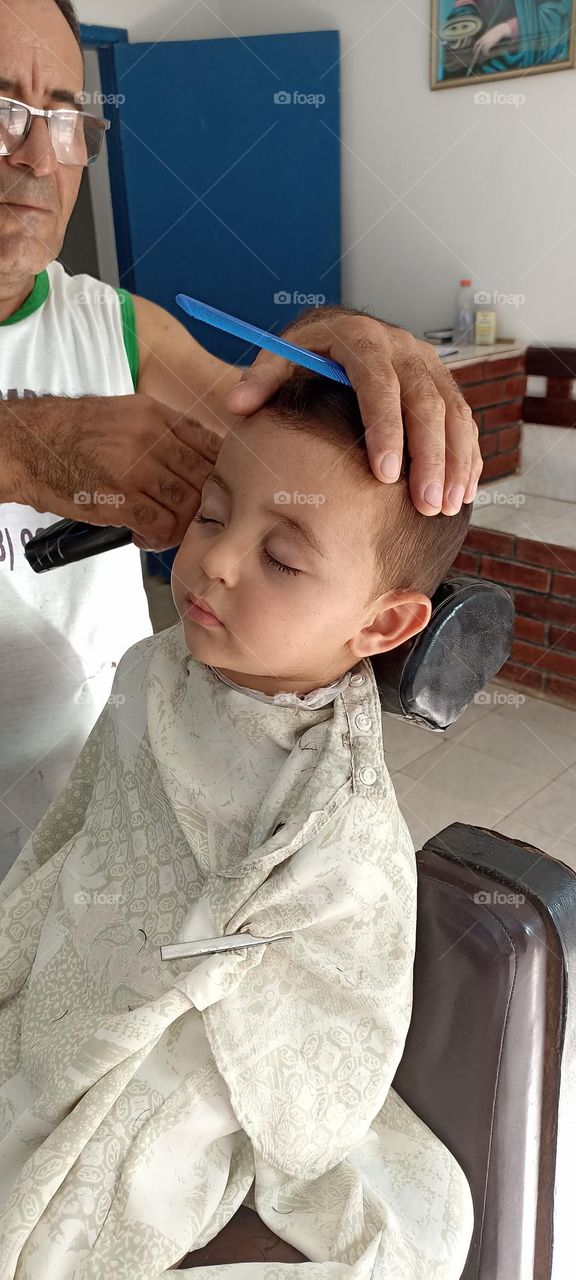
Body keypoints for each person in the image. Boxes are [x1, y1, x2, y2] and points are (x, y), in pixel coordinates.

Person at [0, 362, 475, 1279]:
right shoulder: (152, 669)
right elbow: (78, 836)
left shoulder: (330, 809)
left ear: (383, 626)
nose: (214, 558)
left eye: (283, 557)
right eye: (214, 515)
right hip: (90, 952)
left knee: (86, 1188)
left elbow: (328, 987)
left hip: (210, 1042)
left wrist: (142, 1000)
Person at [0, 0, 481, 872]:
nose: (37, 155)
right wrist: (27, 447)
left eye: (63, 117)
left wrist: (343, 345)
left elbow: (285, 437)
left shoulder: (112, 324)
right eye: (0, 110)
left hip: (102, 814)